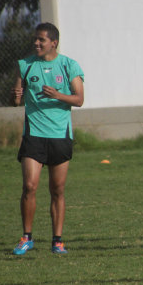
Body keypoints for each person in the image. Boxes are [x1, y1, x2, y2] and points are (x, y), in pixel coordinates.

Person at [10, 22, 85, 255]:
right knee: (29, 186)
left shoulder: (69, 65)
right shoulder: (25, 65)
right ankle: (26, 237)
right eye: (35, 39)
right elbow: (17, 100)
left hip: (60, 136)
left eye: (41, 40)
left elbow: (79, 99)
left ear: (54, 42)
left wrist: (58, 95)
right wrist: (16, 95)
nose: (36, 43)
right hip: (33, 135)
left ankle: (57, 241)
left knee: (57, 190)